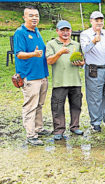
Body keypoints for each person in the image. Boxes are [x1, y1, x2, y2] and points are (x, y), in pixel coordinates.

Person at [14, 6, 50, 146]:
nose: (34, 18)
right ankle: (31, 134)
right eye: (31, 15)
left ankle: (38, 128)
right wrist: (33, 54)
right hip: (30, 76)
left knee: (39, 104)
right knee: (30, 106)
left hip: (42, 75)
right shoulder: (20, 33)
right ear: (24, 17)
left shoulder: (36, 31)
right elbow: (19, 54)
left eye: (36, 15)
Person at [80, 11, 105, 132]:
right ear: (91, 21)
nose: (99, 22)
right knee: (94, 96)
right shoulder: (85, 34)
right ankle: (95, 121)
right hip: (94, 69)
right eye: (96, 20)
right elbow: (84, 49)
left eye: (101, 20)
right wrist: (93, 41)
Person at [46, 20, 85, 140]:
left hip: (75, 81)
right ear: (57, 31)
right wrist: (60, 53)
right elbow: (49, 61)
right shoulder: (51, 44)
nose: (65, 32)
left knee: (76, 105)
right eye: (62, 30)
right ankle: (59, 130)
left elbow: (82, 61)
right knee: (57, 107)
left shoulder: (76, 44)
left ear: (71, 31)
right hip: (59, 82)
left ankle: (75, 126)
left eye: (67, 30)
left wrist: (80, 63)